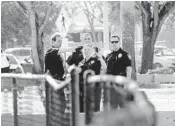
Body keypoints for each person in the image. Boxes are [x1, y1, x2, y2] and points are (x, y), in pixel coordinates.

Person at [106, 35, 132, 109]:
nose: (114, 43)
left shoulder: (125, 54)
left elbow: (129, 69)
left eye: (116, 42)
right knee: (112, 107)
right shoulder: (108, 56)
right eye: (112, 42)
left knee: (123, 107)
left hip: (121, 84)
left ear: (119, 42)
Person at [78, 44, 102, 112]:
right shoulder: (80, 63)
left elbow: (103, 68)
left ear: (91, 51)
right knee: (83, 110)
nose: (86, 51)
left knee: (94, 110)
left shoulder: (96, 61)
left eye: (88, 49)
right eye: (85, 50)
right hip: (83, 89)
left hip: (94, 88)